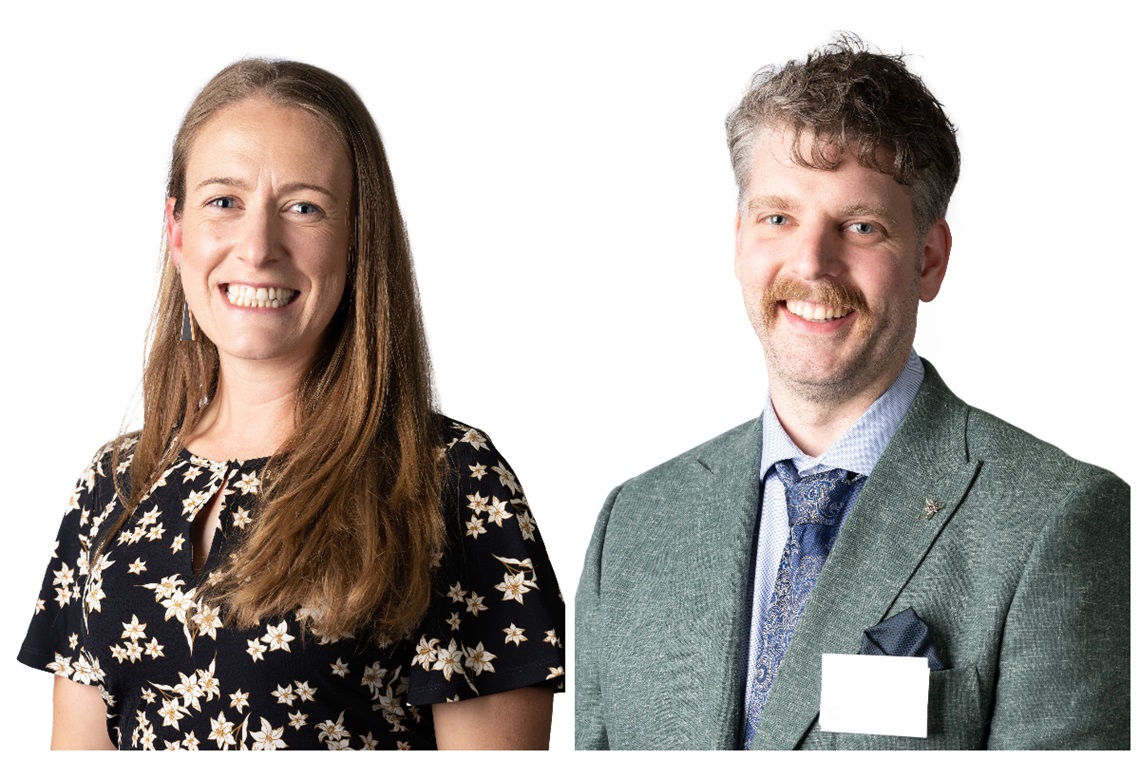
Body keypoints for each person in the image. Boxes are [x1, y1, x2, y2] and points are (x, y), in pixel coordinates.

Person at [575, 35, 1129, 751]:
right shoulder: (636, 525)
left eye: (860, 227)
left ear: (929, 260)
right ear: (740, 239)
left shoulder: (1057, 522)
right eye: (778, 218)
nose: (811, 262)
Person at [19, 59, 564, 751]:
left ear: (358, 237)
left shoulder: (448, 480)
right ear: (177, 229)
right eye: (224, 201)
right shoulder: (113, 485)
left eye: (304, 207)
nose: (257, 247)